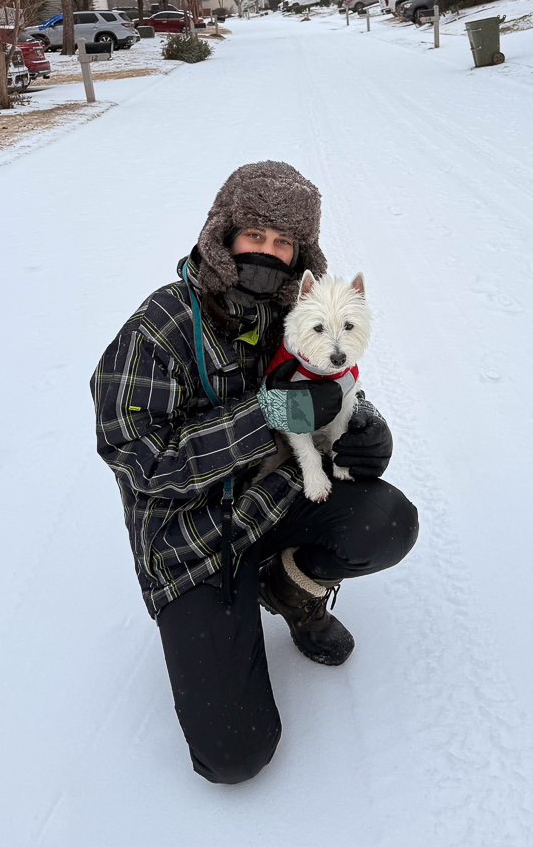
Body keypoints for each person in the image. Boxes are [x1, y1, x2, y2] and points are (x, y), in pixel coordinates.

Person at [91, 161, 419, 785]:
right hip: (190, 539)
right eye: (255, 235)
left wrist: (362, 429)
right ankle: (228, 603)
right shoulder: (157, 328)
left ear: (300, 255)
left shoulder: (292, 309)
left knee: (388, 520)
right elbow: (139, 459)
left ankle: (289, 584)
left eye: (283, 242)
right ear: (223, 234)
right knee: (235, 756)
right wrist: (271, 413)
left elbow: (331, 378)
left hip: (272, 499)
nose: (268, 252)